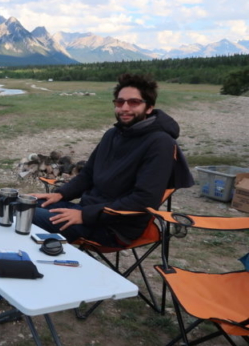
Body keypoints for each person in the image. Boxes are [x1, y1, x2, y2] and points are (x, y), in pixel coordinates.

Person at [30, 73, 194, 246]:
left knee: (23, 214)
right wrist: (60, 194)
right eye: (120, 102)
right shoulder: (113, 134)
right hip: (88, 212)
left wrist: (85, 215)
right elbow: (87, 175)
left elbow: (144, 200)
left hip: (114, 227)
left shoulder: (160, 143)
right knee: (20, 203)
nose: (124, 108)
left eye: (134, 102)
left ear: (149, 108)